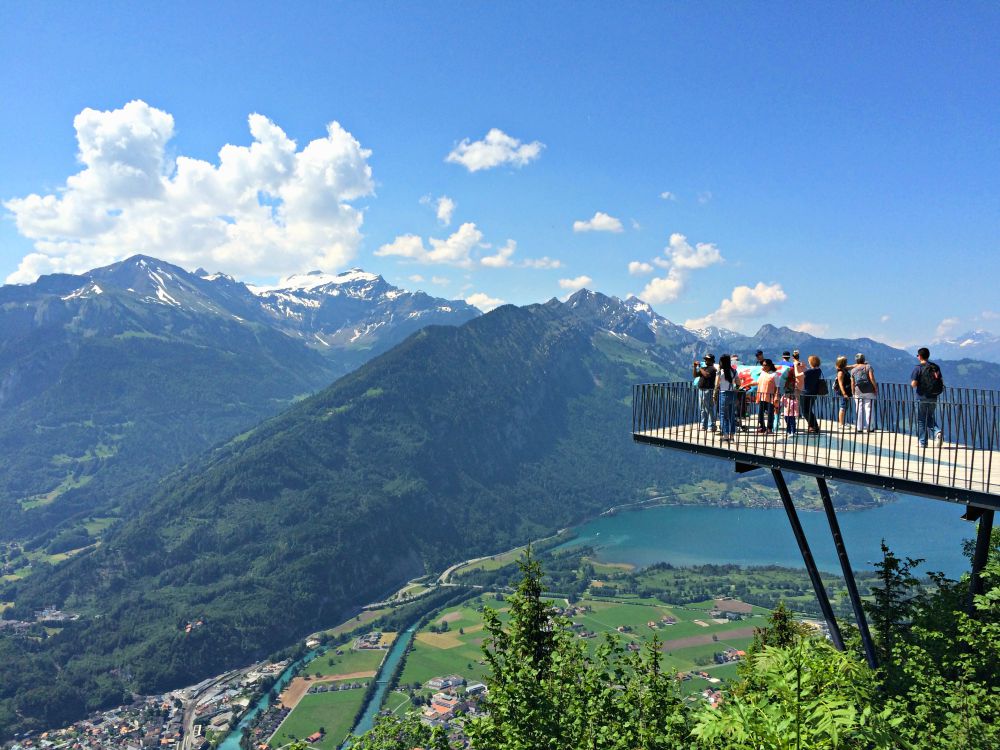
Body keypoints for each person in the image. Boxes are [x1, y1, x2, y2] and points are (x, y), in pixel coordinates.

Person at [911, 347, 945, 448]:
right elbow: (941, 380)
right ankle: (937, 432)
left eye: (918, 355)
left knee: (921, 419)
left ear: (920, 356)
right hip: (933, 396)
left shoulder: (918, 368)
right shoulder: (935, 367)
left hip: (921, 396)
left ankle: (923, 442)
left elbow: (913, 384)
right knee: (929, 416)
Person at [851, 353, 878, 432]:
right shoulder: (868, 367)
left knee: (858, 409)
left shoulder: (853, 370)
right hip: (869, 390)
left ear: (856, 360)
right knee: (869, 408)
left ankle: (859, 428)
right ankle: (870, 427)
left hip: (858, 391)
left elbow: (852, 383)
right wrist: (875, 388)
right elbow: (872, 378)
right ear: (864, 359)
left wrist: (853, 392)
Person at [716, 354, 738, 442]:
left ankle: (725, 436)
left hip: (723, 393)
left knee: (723, 416)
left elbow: (716, 384)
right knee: (732, 415)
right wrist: (735, 389)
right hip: (732, 394)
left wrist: (714, 394)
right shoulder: (734, 371)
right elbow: (738, 382)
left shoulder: (720, 372)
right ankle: (732, 436)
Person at [693, 354, 717, 431]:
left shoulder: (712, 369)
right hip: (701, 389)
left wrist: (699, 367)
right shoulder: (704, 368)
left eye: (707, 359)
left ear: (712, 361)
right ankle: (704, 425)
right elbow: (695, 375)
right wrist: (694, 367)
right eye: (705, 359)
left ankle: (711, 425)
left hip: (708, 390)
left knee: (709, 408)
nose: (705, 360)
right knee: (702, 409)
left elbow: (706, 375)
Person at [801, 355, 823, 433]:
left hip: (805, 392)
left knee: (804, 411)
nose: (808, 362)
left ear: (812, 362)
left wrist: (798, 368)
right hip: (814, 392)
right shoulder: (818, 370)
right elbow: (809, 372)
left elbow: (798, 375)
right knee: (809, 410)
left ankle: (813, 426)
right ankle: (814, 426)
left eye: (809, 361)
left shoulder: (809, 371)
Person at [757, 359, 778, 434]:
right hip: (762, 395)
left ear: (769, 366)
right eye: (763, 365)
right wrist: (747, 384)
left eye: (765, 365)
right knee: (760, 413)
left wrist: (776, 397)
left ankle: (769, 428)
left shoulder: (774, 374)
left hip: (770, 396)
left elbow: (777, 387)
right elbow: (758, 382)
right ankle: (762, 427)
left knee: (770, 413)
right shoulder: (762, 373)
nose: (763, 366)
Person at [833, 356, 853, 428]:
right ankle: (841, 424)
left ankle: (842, 422)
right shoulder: (841, 372)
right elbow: (840, 384)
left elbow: (852, 366)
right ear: (843, 363)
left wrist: (861, 364)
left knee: (845, 406)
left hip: (847, 391)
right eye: (845, 362)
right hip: (843, 392)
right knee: (843, 406)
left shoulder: (844, 369)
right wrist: (844, 394)